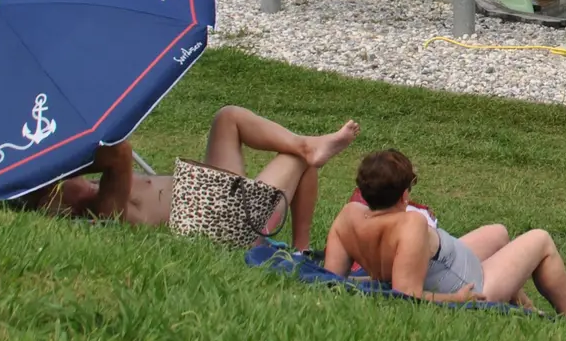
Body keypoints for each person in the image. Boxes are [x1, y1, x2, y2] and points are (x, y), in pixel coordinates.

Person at [21, 106, 360, 252]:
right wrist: (65, 160)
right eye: (57, 188)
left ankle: (307, 146)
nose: (63, 181)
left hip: (207, 194)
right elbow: (119, 153)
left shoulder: (95, 193)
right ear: (63, 210)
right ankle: (300, 249)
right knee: (300, 159)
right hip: (217, 222)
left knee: (228, 118)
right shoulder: (106, 209)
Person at [322, 149, 566, 315]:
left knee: (498, 233)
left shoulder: (349, 216)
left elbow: (330, 278)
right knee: (540, 240)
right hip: (473, 287)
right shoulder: (410, 224)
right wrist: (457, 299)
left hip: (448, 263)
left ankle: (528, 311)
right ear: (404, 195)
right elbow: (405, 293)